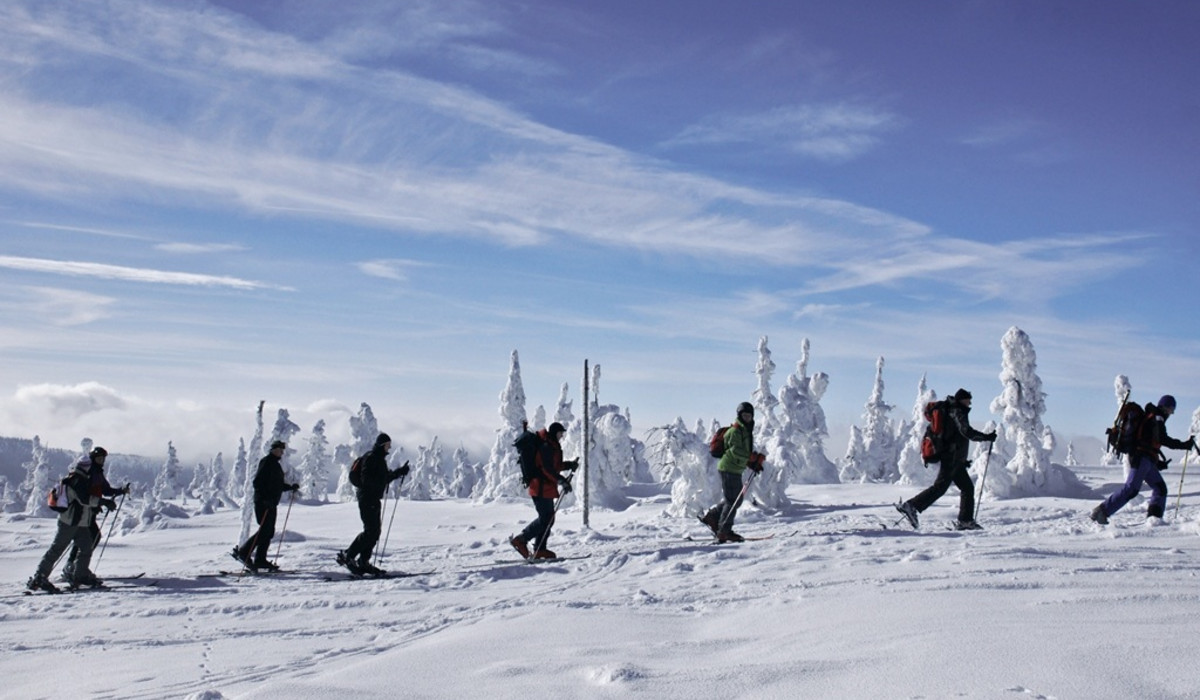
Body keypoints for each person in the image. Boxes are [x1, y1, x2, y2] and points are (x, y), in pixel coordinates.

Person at [896, 389, 996, 531]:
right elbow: (966, 432)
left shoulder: (952, 410)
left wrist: (962, 460)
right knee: (941, 488)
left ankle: (965, 520)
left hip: (954, 458)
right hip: (951, 458)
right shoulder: (957, 411)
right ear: (961, 400)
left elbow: (955, 436)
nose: (970, 403)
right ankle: (911, 506)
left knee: (966, 487)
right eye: (968, 400)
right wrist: (986, 437)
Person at [1090, 395, 1196, 524]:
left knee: (1160, 488)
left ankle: (1154, 520)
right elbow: (1162, 439)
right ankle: (1101, 512)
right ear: (1165, 407)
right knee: (1131, 489)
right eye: (1171, 410)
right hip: (1141, 458)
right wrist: (1184, 445)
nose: (1171, 413)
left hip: (1146, 459)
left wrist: (1157, 462)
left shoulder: (1153, 417)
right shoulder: (1157, 418)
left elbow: (1150, 441)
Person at [27, 447, 118, 592]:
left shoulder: (80, 479)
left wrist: (102, 502)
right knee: (57, 549)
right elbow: (85, 499)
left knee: (86, 548)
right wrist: (104, 502)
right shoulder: (77, 480)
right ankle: (40, 577)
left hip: (79, 523)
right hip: (69, 523)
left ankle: (80, 575)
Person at [338, 433, 408, 576]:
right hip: (367, 498)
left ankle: (363, 562)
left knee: (375, 531)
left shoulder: (378, 459)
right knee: (370, 530)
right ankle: (348, 556)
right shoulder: (372, 458)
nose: (389, 447)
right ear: (382, 445)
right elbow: (367, 479)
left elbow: (383, 478)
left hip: (372, 499)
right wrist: (382, 480)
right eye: (388, 444)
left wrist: (399, 473)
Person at [510, 422, 579, 560]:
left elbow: (555, 466)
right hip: (540, 487)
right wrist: (562, 481)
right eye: (560, 433)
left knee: (548, 519)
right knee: (545, 518)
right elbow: (546, 469)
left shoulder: (552, 445)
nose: (562, 436)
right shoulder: (546, 446)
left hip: (545, 487)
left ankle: (540, 549)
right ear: (555, 433)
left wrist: (569, 465)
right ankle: (521, 540)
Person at [699, 402, 765, 543]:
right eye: (744, 415)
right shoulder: (735, 431)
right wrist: (752, 458)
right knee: (733, 501)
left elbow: (741, 453)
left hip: (734, 468)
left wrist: (753, 463)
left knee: (734, 499)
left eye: (749, 416)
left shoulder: (745, 431)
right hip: (728, 468)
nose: (747, 418)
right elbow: (735, 451)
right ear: (739, 416)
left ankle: (712, 517)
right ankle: (724, 531)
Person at [62, 446, 130, 583]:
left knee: (90, 537)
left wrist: (120, 491)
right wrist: (102, 502)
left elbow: (106, 490)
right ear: (93, 459)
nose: (101, 460)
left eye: (102, 458)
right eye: (99, 458)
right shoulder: (90, 472)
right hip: (84, 511)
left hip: (91, 511)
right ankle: (74, 567)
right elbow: (87, 494)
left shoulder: (98, 472)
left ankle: (74, 566)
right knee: (90, 537)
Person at [232, 440, 299, 572]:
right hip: (263, 503)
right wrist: (264, 499)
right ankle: (244, 552)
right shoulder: (267, 462)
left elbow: (276, 485)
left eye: (282, 450)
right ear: (273, 449)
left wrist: (290, 487)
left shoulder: (275, 464)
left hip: (271, 502)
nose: (282, 452)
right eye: (280, 449)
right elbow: (257, 482)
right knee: (265, 530)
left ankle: (260, 560)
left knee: (268, 531)